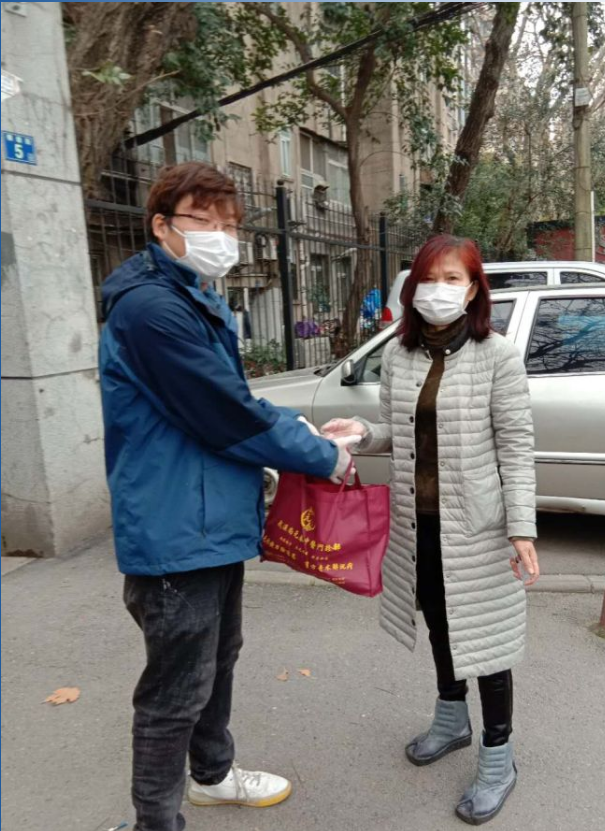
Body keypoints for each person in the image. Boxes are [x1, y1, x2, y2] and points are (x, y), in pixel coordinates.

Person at [98, 161, 357, 831]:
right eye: (203, 220)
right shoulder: (153, 310)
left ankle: (211, 777)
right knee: (174, 692)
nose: (221, 235)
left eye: (231, 225)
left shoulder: (191, 296)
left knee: (216, 659)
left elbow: (228, 402)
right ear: (161, 225)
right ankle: (156, 824)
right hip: (175, 527)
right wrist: (322, 454)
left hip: (209, 520)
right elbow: (224, 414)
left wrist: (302, 431)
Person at [322, 234, 540, 825]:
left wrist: (521, 529)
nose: (438, 289)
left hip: (478, 528)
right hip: (419, 525)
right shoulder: (400, 355)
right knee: (440, 622)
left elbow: (516, 448)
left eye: (452, 279)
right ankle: (451, 718)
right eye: (428, 278)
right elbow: (398, 433)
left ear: (472, 291)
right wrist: (362, 434)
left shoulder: (497, 356)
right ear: (412, 286)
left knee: (487, 643)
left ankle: (499, 757)